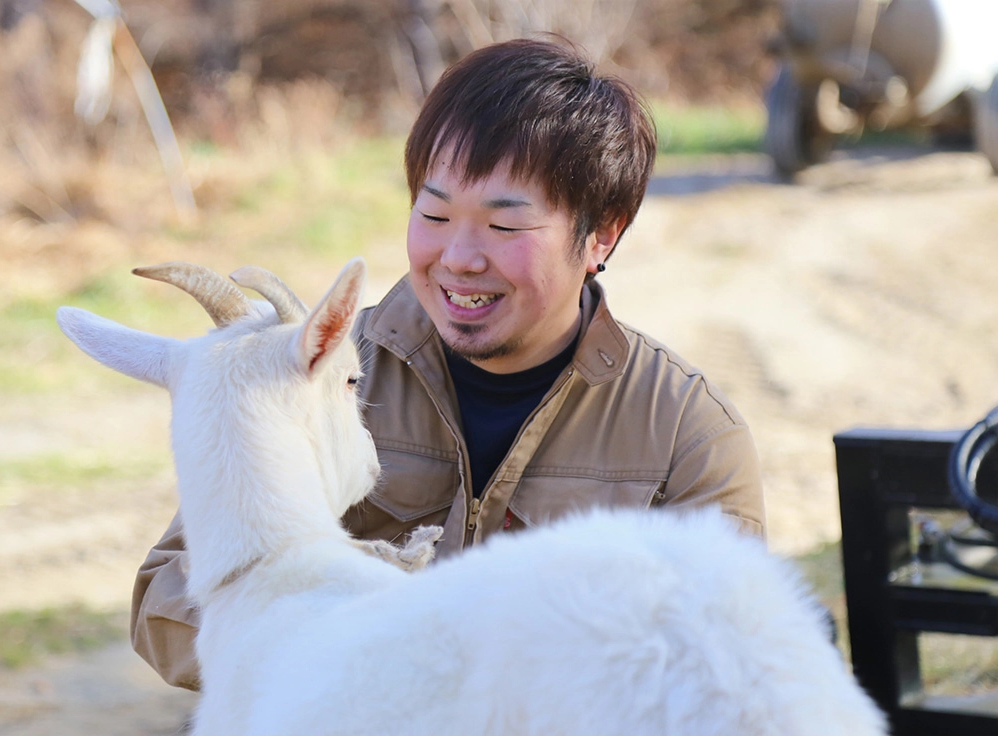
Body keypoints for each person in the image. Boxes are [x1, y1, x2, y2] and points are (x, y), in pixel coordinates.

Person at [130, 37, 767, 690]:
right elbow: (169, 598)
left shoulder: (686, 436)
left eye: (503, 226)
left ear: (601, 234)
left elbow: (725, 667)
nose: (458, 257)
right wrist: (367, 651)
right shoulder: (313, 374)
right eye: (433, 213)